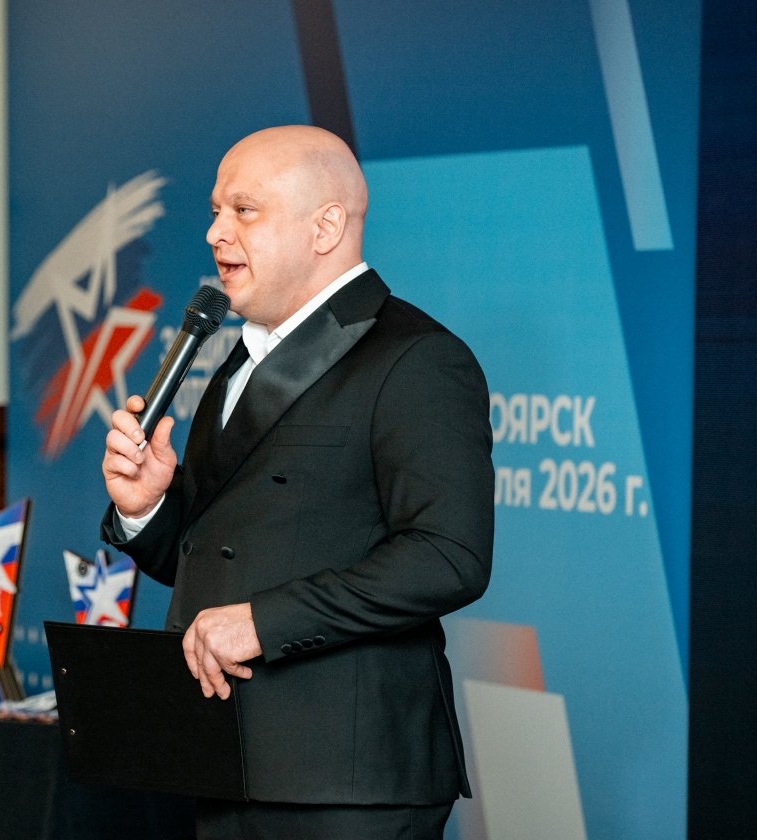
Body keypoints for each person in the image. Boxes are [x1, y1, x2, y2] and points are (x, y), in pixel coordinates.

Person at [100, 125, 494, 839]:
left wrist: (263, 622)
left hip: (347, 781)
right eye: (215, 211)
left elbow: (448, 557)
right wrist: (148, 507)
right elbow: (225, 555)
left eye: (244, 211)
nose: (216, 233)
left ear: (326, 227)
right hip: (225, 759)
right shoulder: (238, 359)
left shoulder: (416, 359)